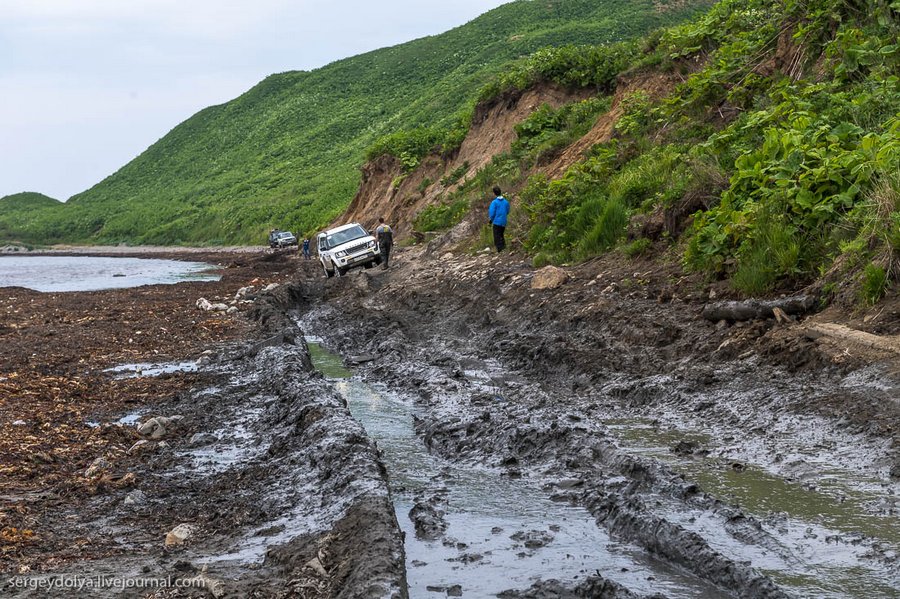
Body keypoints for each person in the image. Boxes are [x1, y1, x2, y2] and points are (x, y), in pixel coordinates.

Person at [488, 186, 510, 252]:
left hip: (497, 221)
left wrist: (490, 220)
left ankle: (500, 250)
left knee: (497, 237)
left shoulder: (494, 202)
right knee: (501, 235)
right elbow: (508, 211)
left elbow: (492, 213)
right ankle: (504, 247)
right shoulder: (506, 202)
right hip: (504, 221)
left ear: (494, 193)